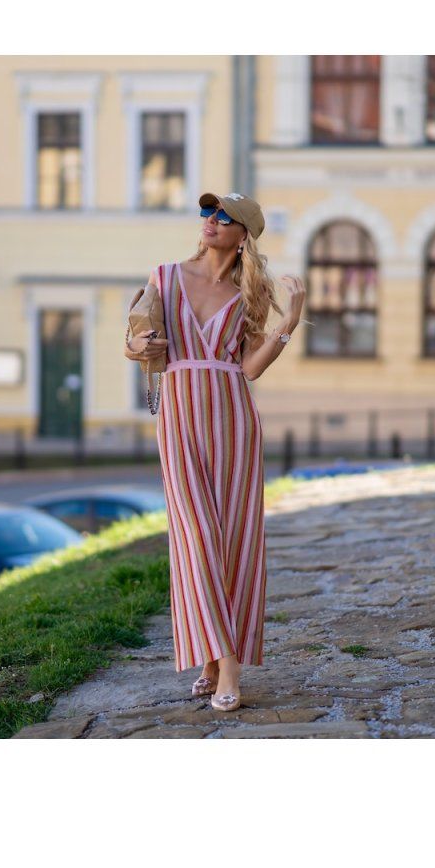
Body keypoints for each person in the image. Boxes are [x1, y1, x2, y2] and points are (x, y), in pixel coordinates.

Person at [123, 190, 305, 713]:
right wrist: (139, 348)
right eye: (208, 211)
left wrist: (289, 322)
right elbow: (132, 343)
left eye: (224, 216)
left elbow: (249, 369)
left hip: (234, 423)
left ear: (243, 235)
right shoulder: (164, 278)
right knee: (197, 537)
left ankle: (211, 659)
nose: (211, 220)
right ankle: (228, 664)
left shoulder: (249, 293)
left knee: (235, 544)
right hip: (180, 420)